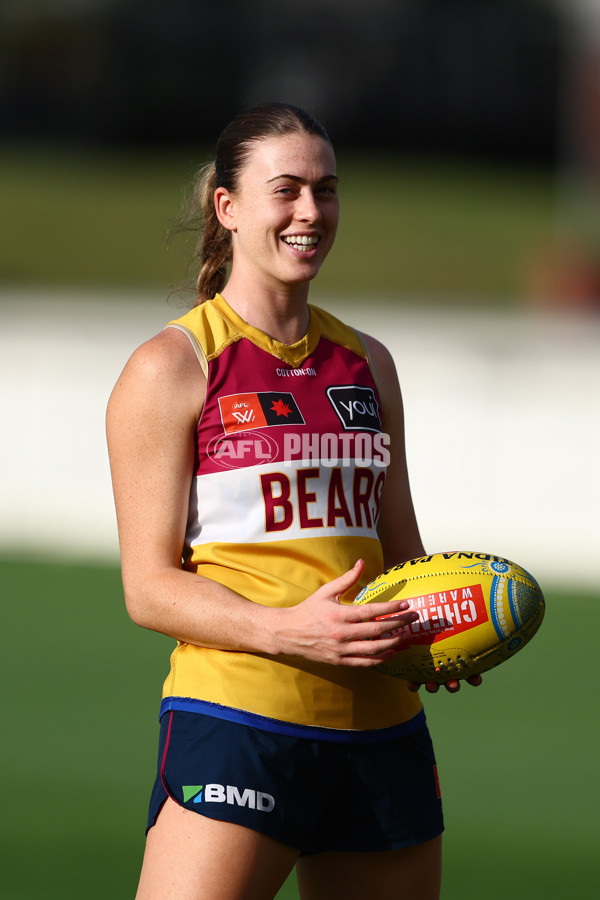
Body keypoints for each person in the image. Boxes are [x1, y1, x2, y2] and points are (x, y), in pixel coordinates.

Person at [106, 101, 481, 900]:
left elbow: (402, 552)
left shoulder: (367, 363)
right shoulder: (171, 367)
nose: (311, 211)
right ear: (229, 208)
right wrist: (287, 631)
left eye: (327, 189)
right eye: (288, 190)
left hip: (383, 731)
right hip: (241, 724)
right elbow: (149, 587)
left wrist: (439, 631)